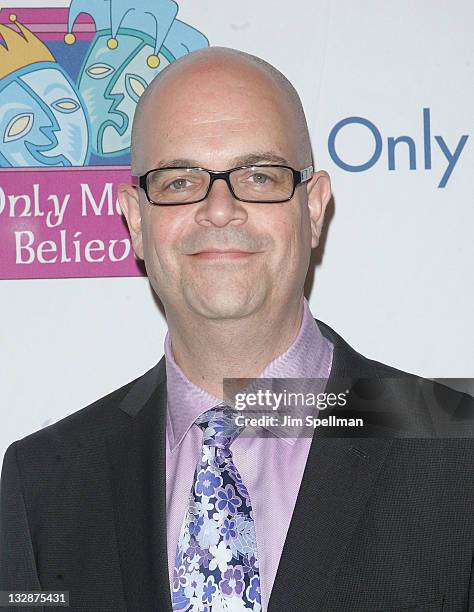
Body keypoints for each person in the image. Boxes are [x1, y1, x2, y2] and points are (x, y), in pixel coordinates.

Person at [0, 47, 473, 612]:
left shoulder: (458, 453)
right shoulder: (43, 482)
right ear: (134, 220)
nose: (219, 209)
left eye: (258, 176)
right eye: (178, 181)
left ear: (314, 208)